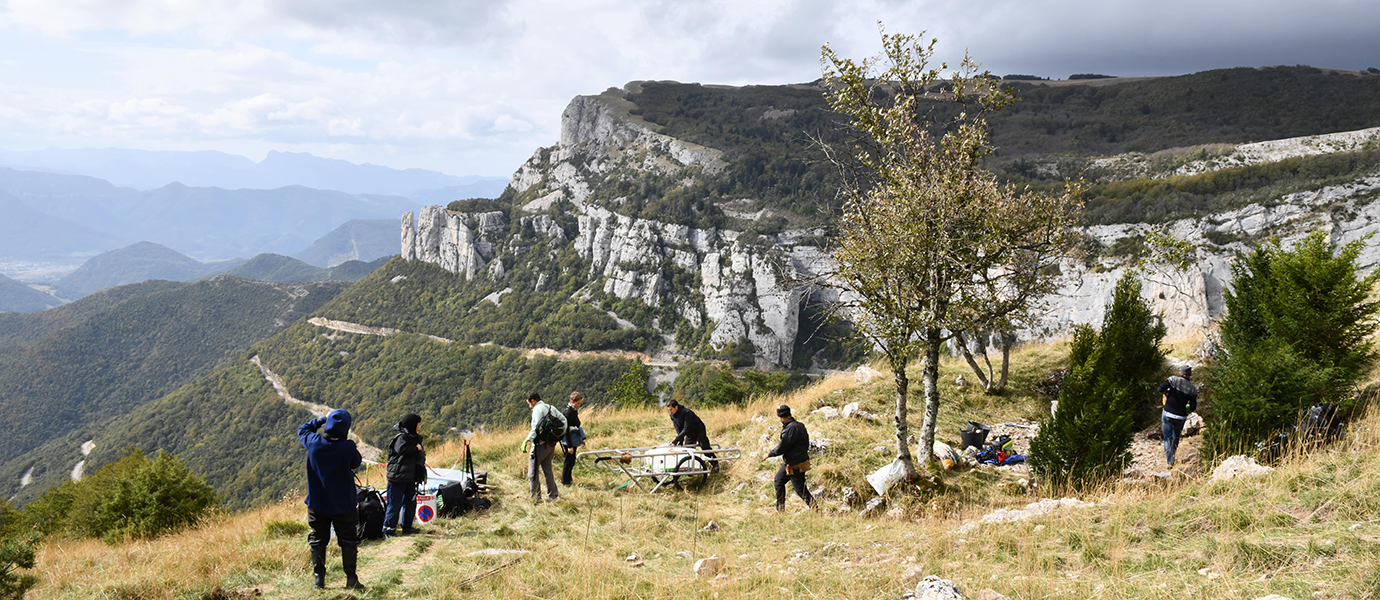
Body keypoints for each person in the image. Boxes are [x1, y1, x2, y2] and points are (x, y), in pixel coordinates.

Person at [297, 409, 365, 590]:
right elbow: (356, 462)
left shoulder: (314, 443)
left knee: (318, 540)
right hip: (344, 504)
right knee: (349, 540)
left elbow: (302, 430)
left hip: (317, 503)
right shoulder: (348, 447)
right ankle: (351, 579)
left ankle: (319, 579)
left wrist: (321, 419)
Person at [763, 405, 814, 511]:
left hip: (795, 464)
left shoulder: (790, 429)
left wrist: (769, 454)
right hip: (795, 462)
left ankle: (816, 509)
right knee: (778, 481)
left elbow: (782, 447)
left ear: (781, 417)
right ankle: (780, 510)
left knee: (801, 490)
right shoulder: (800, 425)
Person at [383, 413, 425, 536]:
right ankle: (388, 530)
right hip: (397, 476)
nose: (419, 426)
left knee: (410, 502)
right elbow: (401, 450)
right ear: (413, 425)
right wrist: (416, 449)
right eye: (418, 424)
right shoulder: (401, 437)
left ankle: (407, 527)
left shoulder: (413, 437)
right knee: (394, 504)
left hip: (410, 476)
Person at [520, 392, 566, 501]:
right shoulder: (551, 407)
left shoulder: (537, 409)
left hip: (539, 445)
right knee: (547, 470)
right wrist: (558, 437)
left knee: (533, 472)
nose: (529, 406)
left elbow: (536, 428)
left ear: (533, 401)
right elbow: (564, 421)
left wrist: (526, 440)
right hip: (551, 445)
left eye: (529, 403)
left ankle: (536, 498)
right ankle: (553, 496)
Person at [1158, 364, 1199, 467]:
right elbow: (1193, 407)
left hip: (1168, 413)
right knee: (1176, 436)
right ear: (1190, 374)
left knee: (1167, 437)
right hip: (1180, 416)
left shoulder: (1173, 380)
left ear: (1180, 373)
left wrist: (1167, 392)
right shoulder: (1193, 389)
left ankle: (1170, 460)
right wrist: (1188, 409)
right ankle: (1172, 455)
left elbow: (1160, 389)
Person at [560, 392, 585, 486]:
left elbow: (577, 425)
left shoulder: (574, 411)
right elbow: (566, 430)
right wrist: (569, 446)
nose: (579, 405)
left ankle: (569, 480)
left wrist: (581, 438)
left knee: (572, 461)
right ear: (572, 401)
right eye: (577, 403)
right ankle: (564, 481)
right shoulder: (568, 412)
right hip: (568, 441)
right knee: (568, 462)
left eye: (580, 403)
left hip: (574, 439)